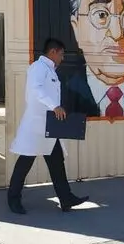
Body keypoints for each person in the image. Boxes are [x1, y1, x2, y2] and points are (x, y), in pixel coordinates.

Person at [7, 38, 90, 215]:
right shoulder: (38, 67)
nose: (62, 58)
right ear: (53, 52)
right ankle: (13, 199)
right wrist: (54, 106)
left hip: (49, 128)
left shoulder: (50, 70)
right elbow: (36, 90)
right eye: (61, 54)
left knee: (57, 163)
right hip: (36, 127)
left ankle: (66, 199)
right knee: (24, 163)